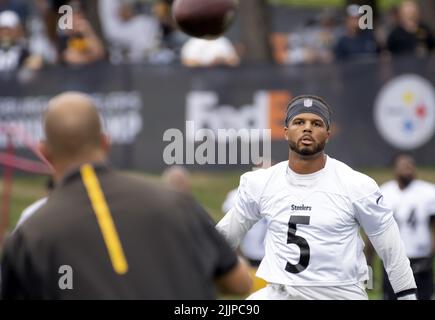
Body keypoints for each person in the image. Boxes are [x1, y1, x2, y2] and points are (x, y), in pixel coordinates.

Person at [1, 92, 252, 299]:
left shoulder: (31, 232)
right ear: (105, 142)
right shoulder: (176, 203)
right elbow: (239, 283)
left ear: (44, 152)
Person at [216, 95, 417, 300]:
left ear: (327, 134)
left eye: (316, 123)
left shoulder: (356, 185)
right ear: (286, 132)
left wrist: (407, 295)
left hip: (338, 294)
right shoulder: (261, 182)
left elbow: (391, 247)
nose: (307, 128)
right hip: (281, 292)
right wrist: (195, 272)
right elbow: (224, 236)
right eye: (299, 122)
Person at [380, 154, 435, 300]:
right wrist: (368, 258)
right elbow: (374, 229)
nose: (407, 169)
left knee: (423, 295)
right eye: (403, 165)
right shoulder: (384, 192)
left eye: (410, 165)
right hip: (392, 258)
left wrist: (431, 253)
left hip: (420, 257)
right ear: (395, 169)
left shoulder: (428, 192)